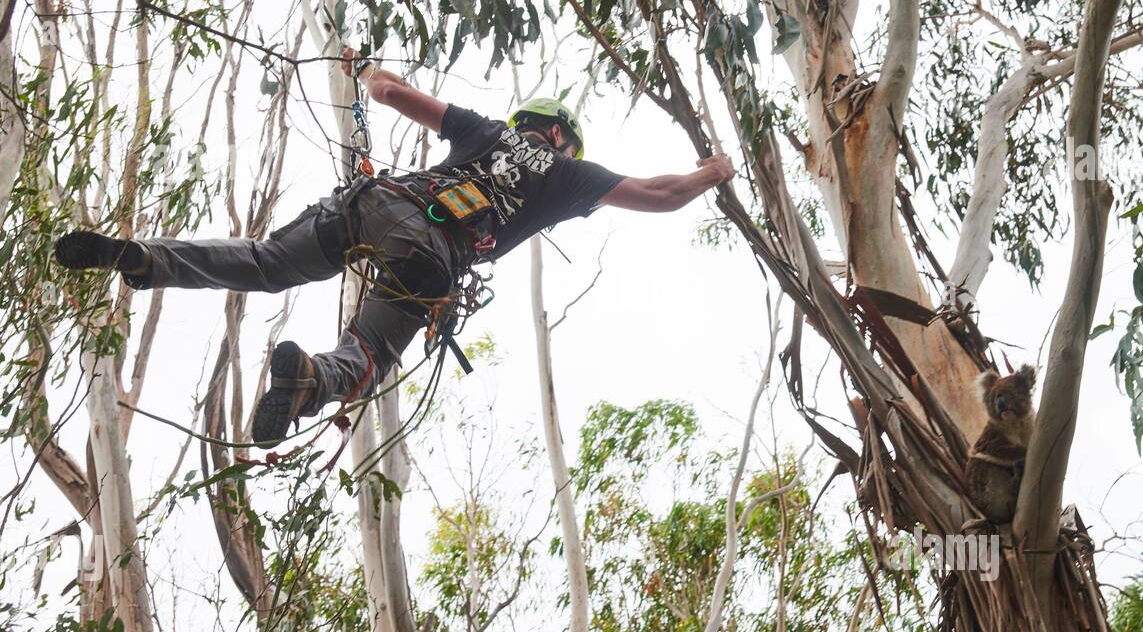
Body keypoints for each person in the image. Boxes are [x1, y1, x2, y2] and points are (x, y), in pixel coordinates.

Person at [54, 48, 735, 447]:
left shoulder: (486, 128)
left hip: (376, 204)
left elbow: (390, 93)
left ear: (530, 122)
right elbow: (661, 193)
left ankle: (143, 257)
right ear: (563, 138)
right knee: (370, 351)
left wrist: (369, 69)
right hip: (432, 254)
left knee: (266, 262)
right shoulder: (568, 176)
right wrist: (714, 171)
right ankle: (309, 382)